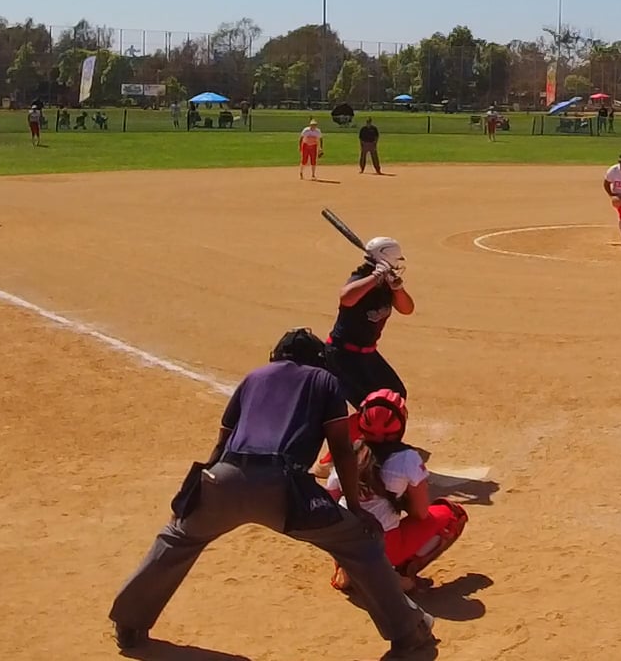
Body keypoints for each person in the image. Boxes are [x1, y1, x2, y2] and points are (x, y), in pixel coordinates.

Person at [107, 331, 436, 659]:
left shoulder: (254, 377)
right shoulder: (324, 380)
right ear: (318, 360)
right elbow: (340, 448)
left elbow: (220, 446)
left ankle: (129, 623)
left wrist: (192, 497)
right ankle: (409, 634)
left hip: (226, 477)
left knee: (177, 537)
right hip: (284, 487)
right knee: (359, 542)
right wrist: (354, 508)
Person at [320, 390, 468, 594]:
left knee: (342, 523)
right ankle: (400, 577)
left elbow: (330, 504)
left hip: (342, 545)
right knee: (452, 515)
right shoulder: (407, 459)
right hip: (382, 545)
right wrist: (402, 499)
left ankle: (345, 569)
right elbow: (420, 513)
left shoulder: (348, 451)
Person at [326, 237, 414, 405]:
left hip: (367, 353)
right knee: (372, 404)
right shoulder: (362, 276)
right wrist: (374, 278)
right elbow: (346, 298)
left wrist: (398, 288)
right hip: (343, 354)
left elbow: (407, 309)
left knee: (396, 394)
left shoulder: (387, 282)